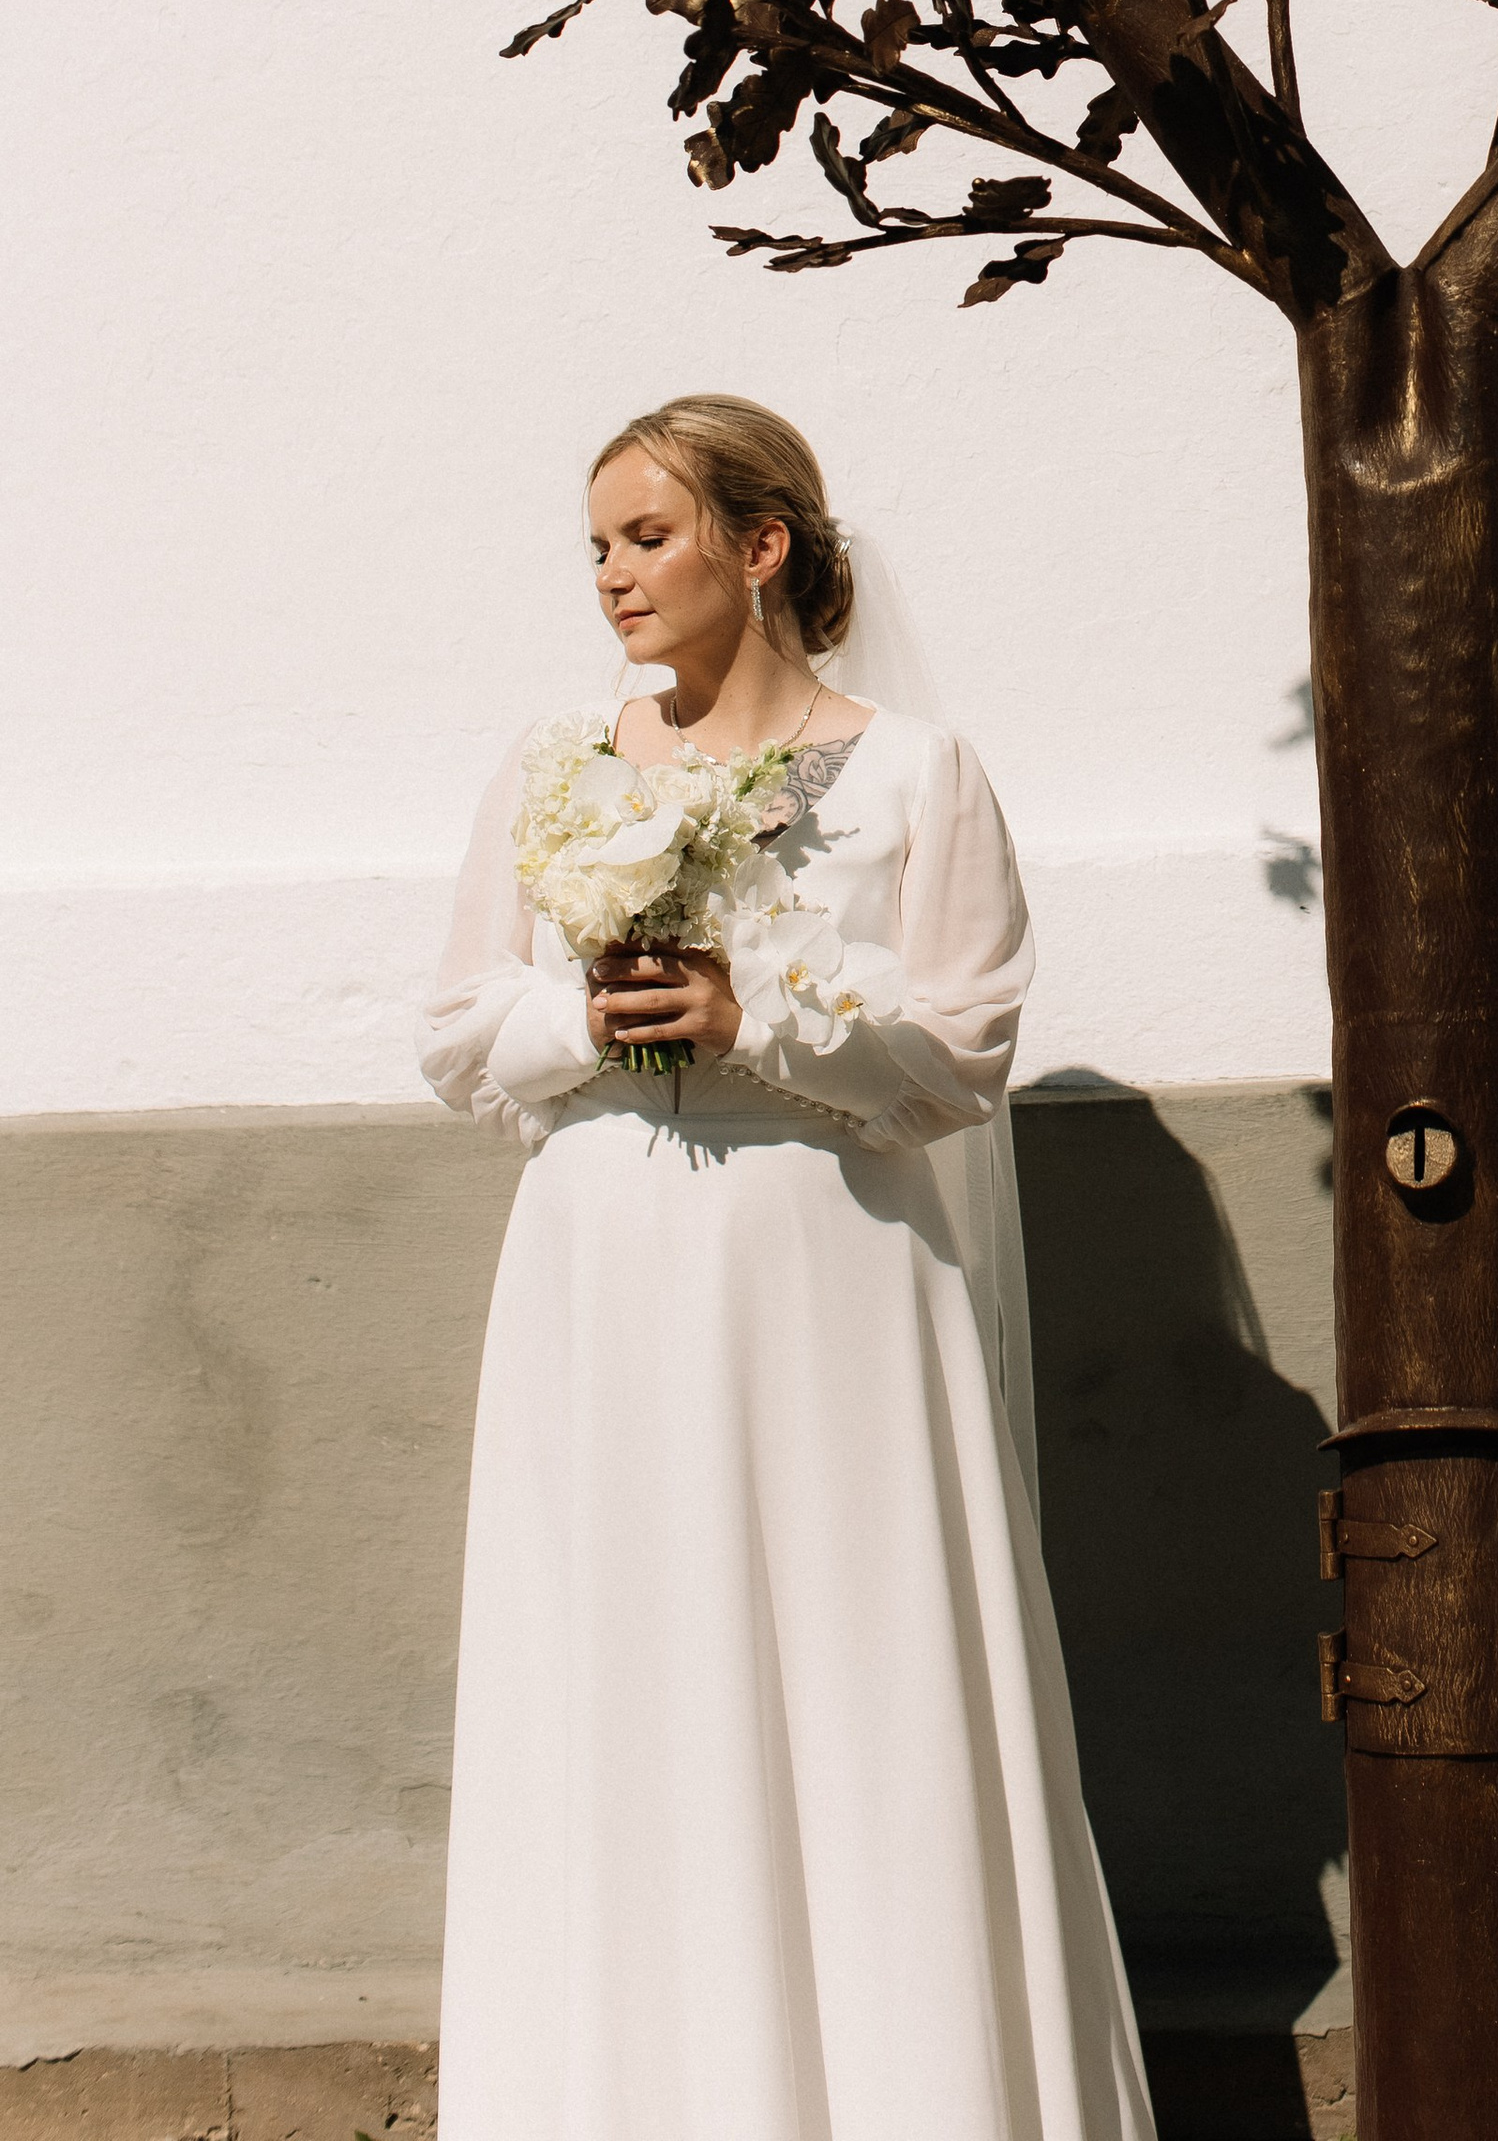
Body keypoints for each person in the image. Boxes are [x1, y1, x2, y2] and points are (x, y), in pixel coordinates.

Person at [421, 392, 1154, 2141]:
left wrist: (766, 1026)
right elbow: (458, 1030)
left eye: (646, 536)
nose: (610, 577)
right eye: (595, 545)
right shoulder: (551, 771)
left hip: (830, 1280)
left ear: (762, 548)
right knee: (622, 1684)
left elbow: (963, 1050)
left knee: (858, 1681)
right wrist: (576, 1017)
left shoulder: (915, 776)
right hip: (600, 1279)